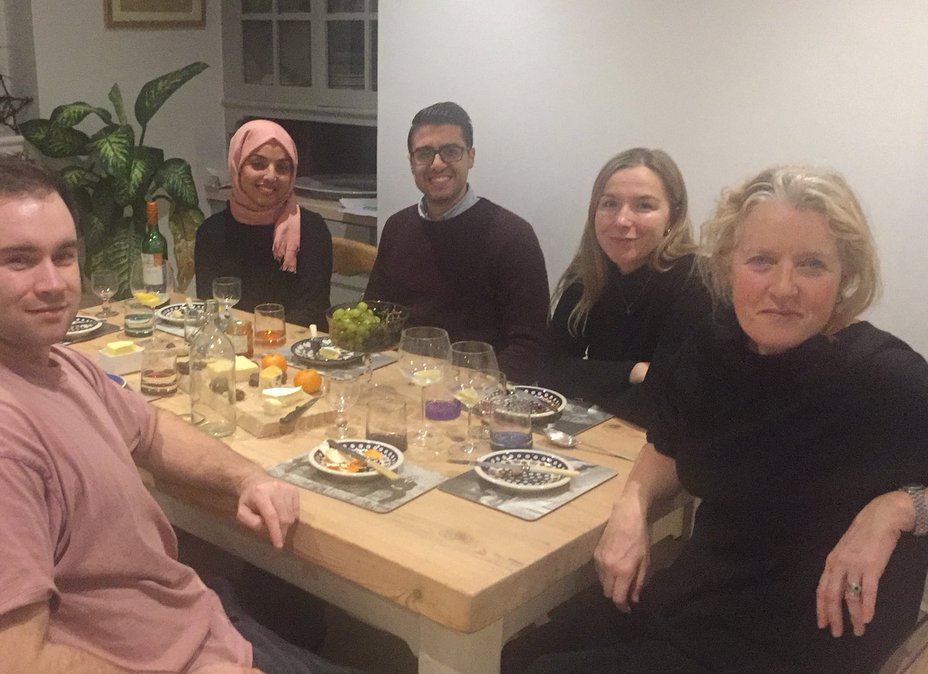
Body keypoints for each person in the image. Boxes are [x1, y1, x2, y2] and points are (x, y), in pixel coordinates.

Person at [0, 152, 356, 674]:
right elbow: (3, 665)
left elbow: (149, 429)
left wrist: (248, 478)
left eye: (64, 255)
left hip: (195, 628)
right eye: (19, 260)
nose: (54, 282)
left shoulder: (49, 361)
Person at [508, 166, 928, 673]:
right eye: (762, 260)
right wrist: (632, 508)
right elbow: (666, 443)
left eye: (812, 264)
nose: (783, 287)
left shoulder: (884, 376)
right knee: (514, 652)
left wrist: (897, 510)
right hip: (702, 598)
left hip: (798, 642)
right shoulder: (714, 346)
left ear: (846, 276)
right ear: (728, 265)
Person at [365, 101, 549, 385]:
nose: (437, 163)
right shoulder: (397, 227)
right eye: (424, 153)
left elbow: (528, 348)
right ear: (412, 162)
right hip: (403, 381)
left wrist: (466, 390)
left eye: (451, 151)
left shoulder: (513, 236)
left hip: (478, 393)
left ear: (470, 157)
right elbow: (375, 315)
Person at [537, 148, 711, 426]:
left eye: (644, 206)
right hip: (605, 434)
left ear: (673, 217)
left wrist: (589, 382)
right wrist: (633, 372)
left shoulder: (697, 282)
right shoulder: (588, 274)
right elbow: (549, 372)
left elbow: (670, 402)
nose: (621, 220)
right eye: (609, 204)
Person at [196, 119, 332, 326]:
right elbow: (210, 307)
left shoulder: (311, 230)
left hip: (291, 342)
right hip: (232, 340)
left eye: (282, 167)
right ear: (237, 166)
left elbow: (311, 313)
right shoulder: (211, 232)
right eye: (258, 164)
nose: (271, 176)